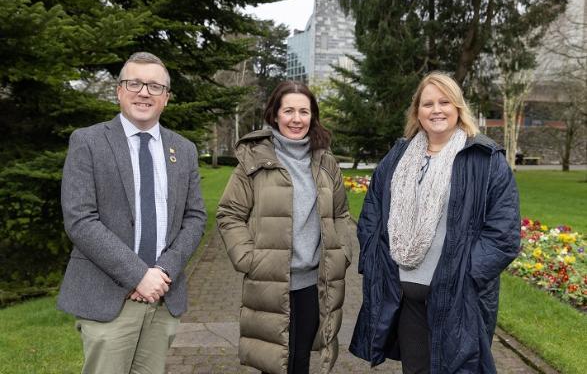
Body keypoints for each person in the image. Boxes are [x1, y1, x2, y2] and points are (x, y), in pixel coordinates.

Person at [349, 72, 520, 373]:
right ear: (417, 111)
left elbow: (503, 233)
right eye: (428, 104)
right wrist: (374, 260)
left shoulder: (485, 158)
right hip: (406, 298)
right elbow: (372, 213)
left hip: (457, 299)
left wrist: (466, 275)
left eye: (444, 102)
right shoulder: (398, 156)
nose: (436, 110)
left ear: (458, 108)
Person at [58, 52, 207, 374]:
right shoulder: (88, 142)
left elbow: (195, 217)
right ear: (119, 91)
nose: (144, 92)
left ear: (166, 98)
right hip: (109, 298)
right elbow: (80, 219)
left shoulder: (183, 150)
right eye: (134, 83)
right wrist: (138, 275)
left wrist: (162, 272)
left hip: (162, 298)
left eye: (155, 86)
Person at [216, 81, 355, 374]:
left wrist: (341, 252)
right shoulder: (254, 160)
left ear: (312, 116)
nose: (296, 118)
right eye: (288, 110)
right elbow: (230, 213)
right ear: (275, 115)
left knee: (300, 360)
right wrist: (248, 258)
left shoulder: (326, 161)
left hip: (313, 283)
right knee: (274, 365)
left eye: (304, 111)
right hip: (270, 282)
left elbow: (341, 213)